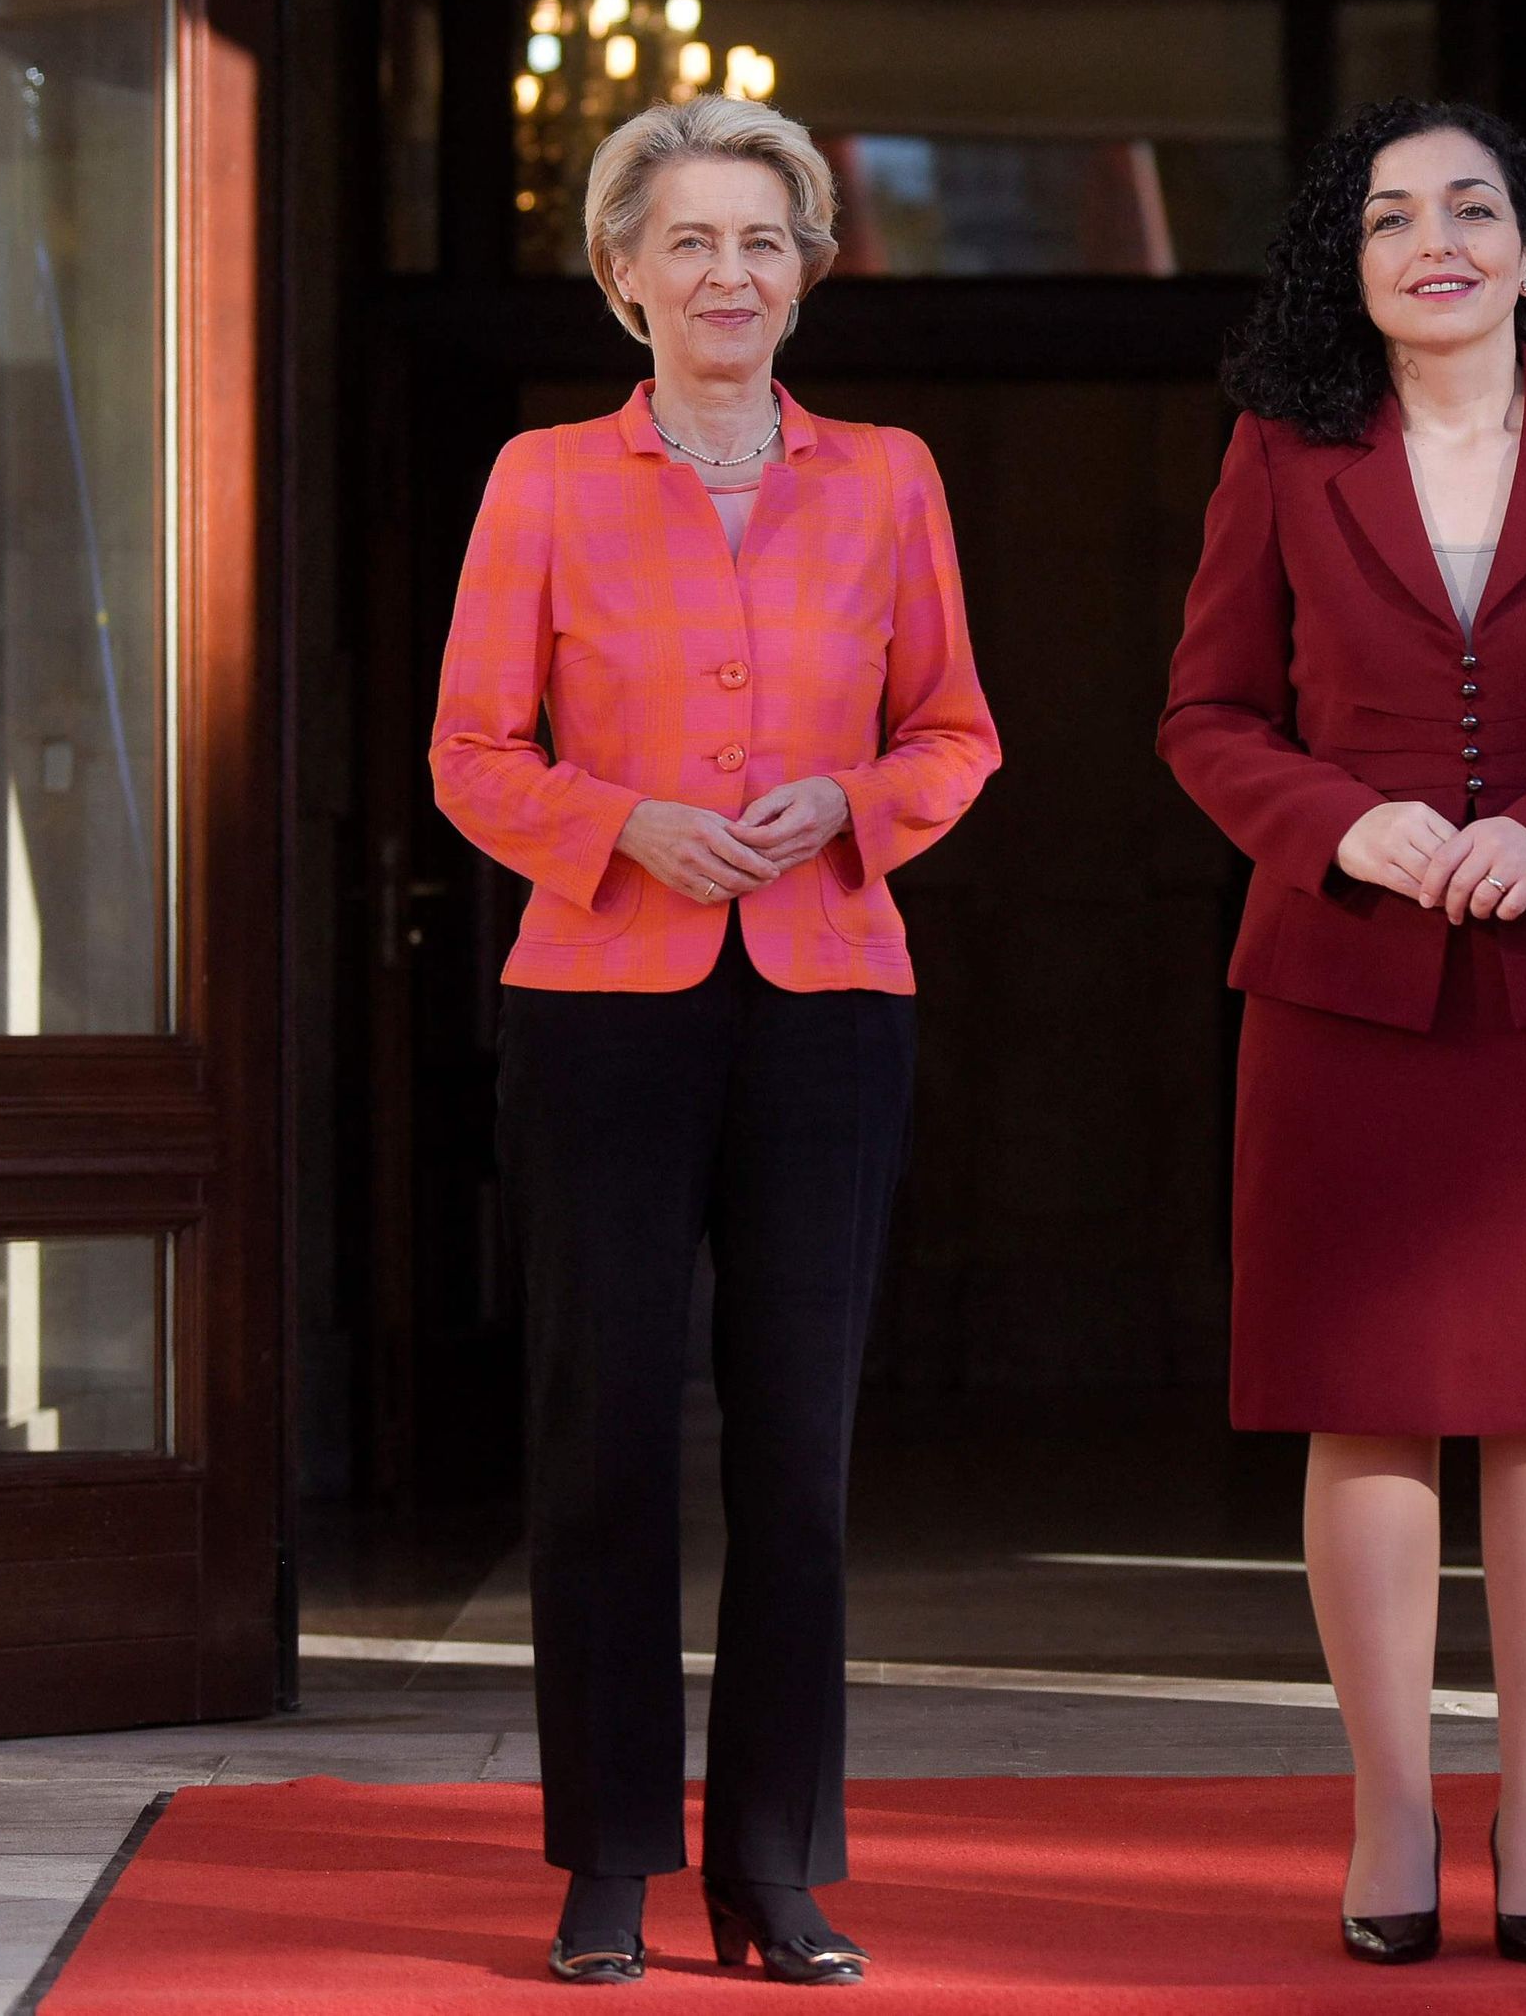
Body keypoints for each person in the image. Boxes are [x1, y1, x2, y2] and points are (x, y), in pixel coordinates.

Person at [1159, 98, 1526, 1968]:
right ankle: (1392, 1807)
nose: (1435, 239)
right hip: (1342, 984)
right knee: (1370, 1401)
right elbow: (1206, 715)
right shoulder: (1280, 451)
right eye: (1391, 215)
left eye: (1471, 208)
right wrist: (1344, 820)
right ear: (1350, 269)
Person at [432, 95, 1001, 1987]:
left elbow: (957, 735)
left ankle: (772, 1865)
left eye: (764, 242)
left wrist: (851, 802)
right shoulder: (541, 480)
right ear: (622, 276)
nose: (729, 274)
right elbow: (470, 750)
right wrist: (617, 828)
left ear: (811, 271)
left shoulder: (891, 477)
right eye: (689, 240)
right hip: (600, 1000)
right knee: (599, 1437)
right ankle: (607, 1857)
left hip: (833, 1000)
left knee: (799, 1454)